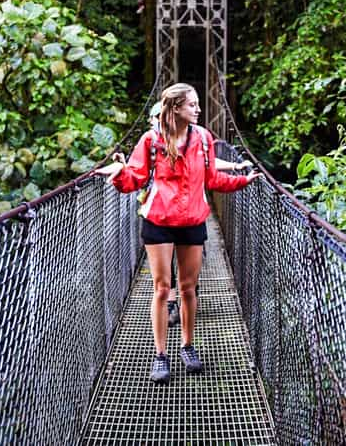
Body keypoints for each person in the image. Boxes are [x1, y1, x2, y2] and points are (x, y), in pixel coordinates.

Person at [96, 83, 261, 384]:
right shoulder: (151, 140)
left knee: (188, 289)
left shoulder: (203, 138)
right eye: (192, 105)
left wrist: (242, 181)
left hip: (192, 220)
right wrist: (119, 173)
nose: (198, 109)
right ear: (175, 109)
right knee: (161, 288)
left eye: (198, 104)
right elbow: (134, 179)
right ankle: (160, 355)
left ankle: (187, 346)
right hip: (159, 220)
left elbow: (212, 179)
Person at [145, 100, 253, 327]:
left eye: (160, 117)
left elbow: (209, 165)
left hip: (189, 212)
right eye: (155, 119)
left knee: (188, 266)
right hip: (159, 213)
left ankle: (186, 298)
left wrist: (235, 168)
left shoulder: (193, 140)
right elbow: (135, 170)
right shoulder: (151, 142)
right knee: (165, 271)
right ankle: (172, 305)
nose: (158, 122)